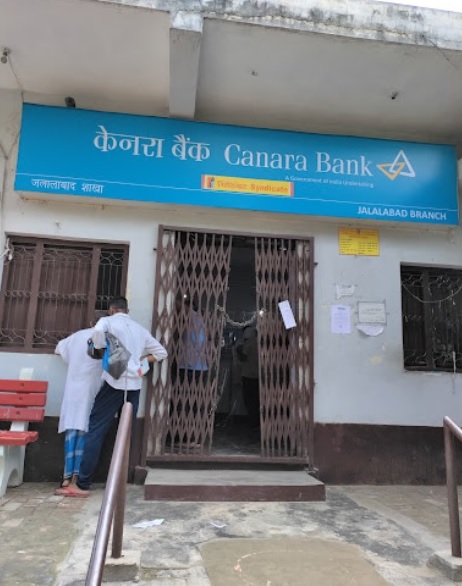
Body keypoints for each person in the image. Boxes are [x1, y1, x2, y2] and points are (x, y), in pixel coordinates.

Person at [56, 296, 167, 497]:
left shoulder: (107, 322)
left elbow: (98, 332)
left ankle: (83, 483)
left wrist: (100, 346)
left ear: (111, 309)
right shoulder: (139, 329)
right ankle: (119, 483)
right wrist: (141, 360)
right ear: (127, 309)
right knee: (125, 433)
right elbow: (161, 352)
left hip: (113, 383)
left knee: (96, 430)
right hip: (133, 387)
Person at [54, 310, 107, 488]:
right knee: (85, 430)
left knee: (72, 432)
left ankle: (66, 476)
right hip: (91, 391)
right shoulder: (105, 341)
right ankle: (78, 476)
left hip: (72, 390)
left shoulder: (76, 337)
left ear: (91, 321)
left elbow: (59, 348)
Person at [236, 325, 260, 429]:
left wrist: (237, 350)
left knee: (249, 400)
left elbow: (243, 357)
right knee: (256, 400)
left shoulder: (249, 342)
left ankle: (253, 423)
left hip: (248, 375)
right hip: (257, 375)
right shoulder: (259, 342)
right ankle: (257, 422)